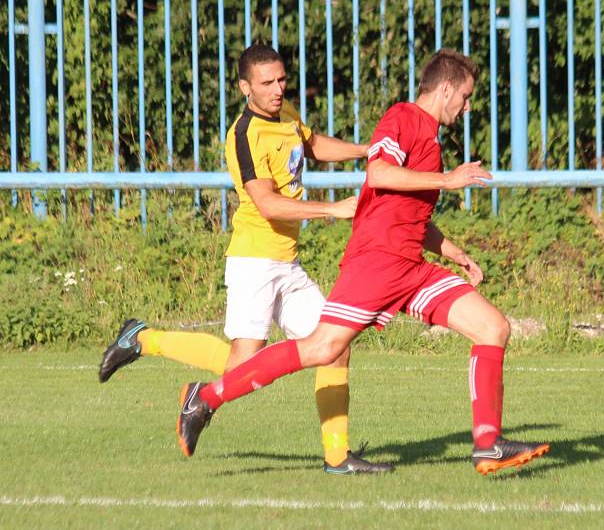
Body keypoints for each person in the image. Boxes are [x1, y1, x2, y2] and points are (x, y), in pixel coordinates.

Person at [174, 49, 550, 475]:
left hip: (410, 266)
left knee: (492, 326)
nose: (467, 107)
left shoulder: (429, 137)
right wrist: (448, 179)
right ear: (445, 89)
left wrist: (452, 250)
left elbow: (402, 211)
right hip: (376, 263)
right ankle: (205, 399)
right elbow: (380, 175)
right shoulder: (403, 118)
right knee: (322, 348)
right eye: (464, 97)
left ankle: (487, 444)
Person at [99, 44, 392, 474]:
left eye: (281, 80)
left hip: (287, 263)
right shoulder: (243, 136)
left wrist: (365, 150)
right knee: (244, 367)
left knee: (334, 347)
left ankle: (337, 457)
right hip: (254, 262)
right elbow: (269, 205)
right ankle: (143, 339)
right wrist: (332, 209)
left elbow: (312, 145)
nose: (277, 89)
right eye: (267, 83)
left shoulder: (285, 113)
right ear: (244, 87)